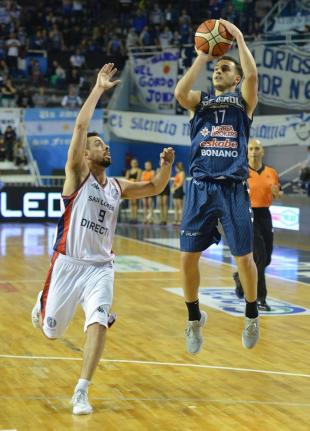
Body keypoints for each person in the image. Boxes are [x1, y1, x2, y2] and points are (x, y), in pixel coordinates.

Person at [31, 63, 174, 415]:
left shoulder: (117, 186)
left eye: (105, 143)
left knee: (97, 320)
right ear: (85, 155)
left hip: (101, 268)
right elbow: (81, 126)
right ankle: (43, 300)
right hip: (67, 263)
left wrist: (167, 166)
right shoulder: (77, 176)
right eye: (98, 144)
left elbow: (155, 187)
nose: (104, 146)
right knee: (51, 332)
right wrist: (98, 89)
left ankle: (81, 391)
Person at [174, 18, 259, 354]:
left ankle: (251, 314)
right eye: (217, 68)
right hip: (201, 187)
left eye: (225, 68)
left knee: (244, 260)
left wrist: (237, 38)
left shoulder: (243, 103)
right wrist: (203, 55)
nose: (219, 71)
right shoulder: (202, 101)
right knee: (186, 259)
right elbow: (180, 93)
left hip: (233, 188)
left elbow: (253, 76)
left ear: (235, 77)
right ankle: (194, 318)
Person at [233, 139, 281, 311]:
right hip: (248, 214)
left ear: (263, 151)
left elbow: (277, 193)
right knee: (259, 256)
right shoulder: (241, 171)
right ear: (247, 152)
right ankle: (261, 298)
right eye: (251, 149)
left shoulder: (271, 172)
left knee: (266, 257)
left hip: (265, 215)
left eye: (257, 149)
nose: (254, 152)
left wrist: (277, 193)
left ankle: (240, 277)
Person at [125, 158, 142, 223]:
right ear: (131, 163)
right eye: (133, 162)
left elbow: (138, 179)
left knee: (135, 203)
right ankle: (132, 217)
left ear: (137, 163)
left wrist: (132, 180)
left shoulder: (139, 170)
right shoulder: (128, 171)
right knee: (131, 203)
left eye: (135, 162)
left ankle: (135, 217)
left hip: (135, 188)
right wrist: (131, 181)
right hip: (130, 188)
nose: (134, 164)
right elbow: (126, 179)